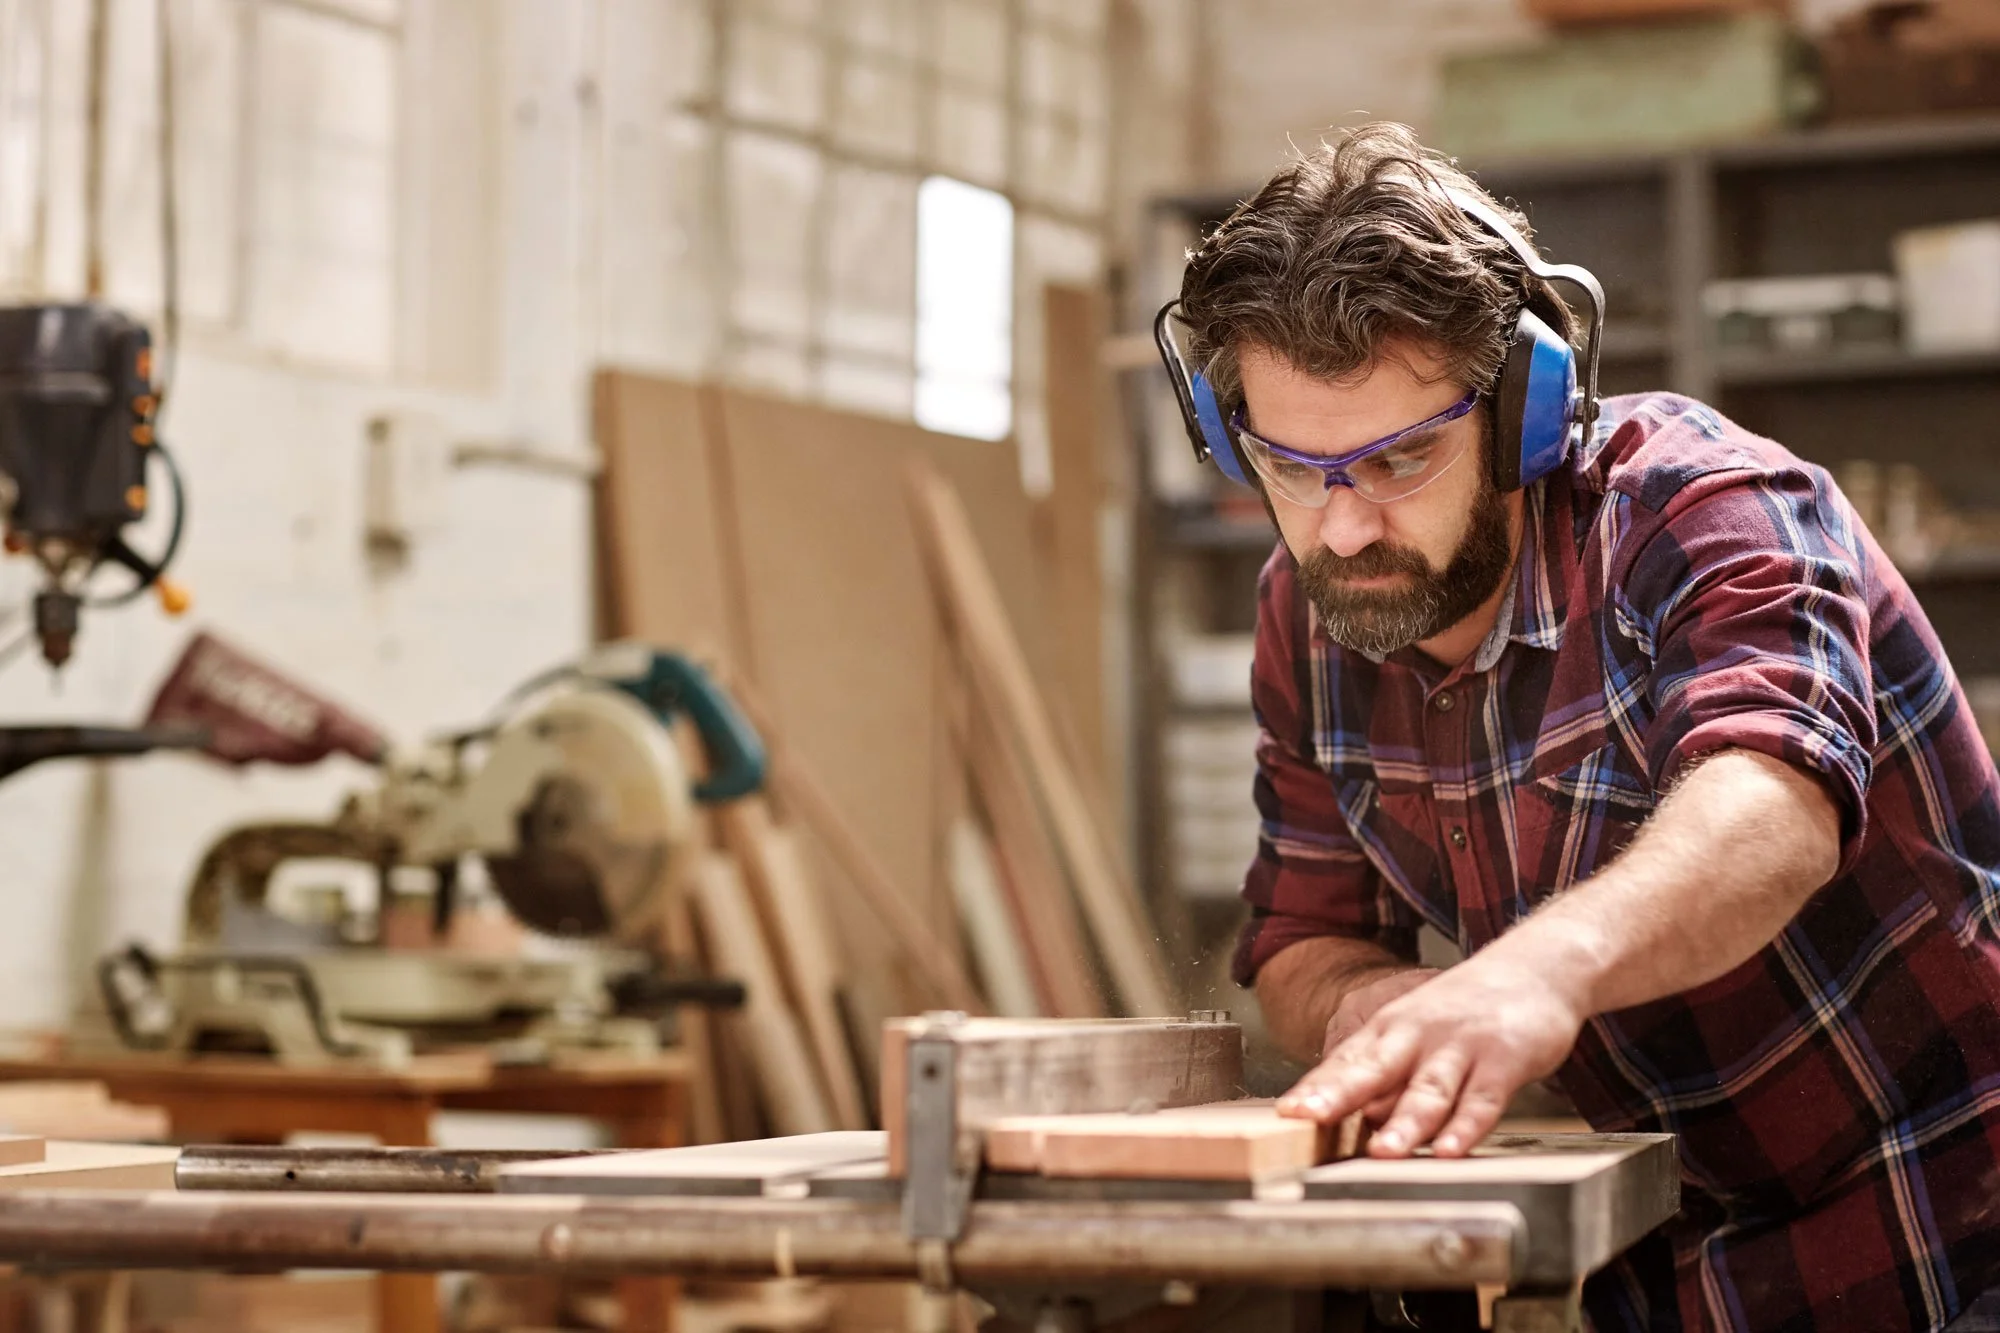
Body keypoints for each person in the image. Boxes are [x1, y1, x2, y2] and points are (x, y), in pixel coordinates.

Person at [1157, 122, 2000, 1332]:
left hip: (1949, 1221)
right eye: (1291, 468)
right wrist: (1360, 1003)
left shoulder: (1705, 508)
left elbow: (1772, 804)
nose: (1340, 529)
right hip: (1665, 1258)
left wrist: (1530, 975)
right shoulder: (1305, 613)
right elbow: (1299, 933)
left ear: (1523, 415)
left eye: (1397, 461)